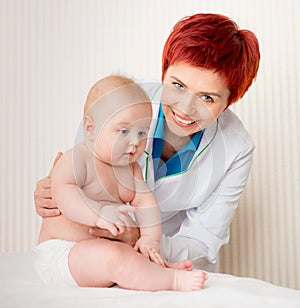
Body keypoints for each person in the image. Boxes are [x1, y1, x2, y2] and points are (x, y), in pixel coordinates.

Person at [34, 13, 260, 271]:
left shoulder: (236, 148)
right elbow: (77, 181)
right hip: (93, 249)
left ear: (229, 102)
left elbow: (203, 242)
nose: (185, 108)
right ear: (164, 72)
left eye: (207, 98)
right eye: (178, 85)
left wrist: (141, 238)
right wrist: (52, 196)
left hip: (165, 260)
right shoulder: (117, 100)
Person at [35, 75, 208, 291]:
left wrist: (149, 240)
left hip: (96, 253)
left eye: (142, 132)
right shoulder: (77, 158)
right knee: (116, 256)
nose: (135, 142)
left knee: (130, 253)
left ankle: (158, 270)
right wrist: (97, 214)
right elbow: (63, 193)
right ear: (90, 128)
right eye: (124, 131)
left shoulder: (131, 169)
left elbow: (146, 204)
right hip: (63, 255)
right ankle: (171, 281)